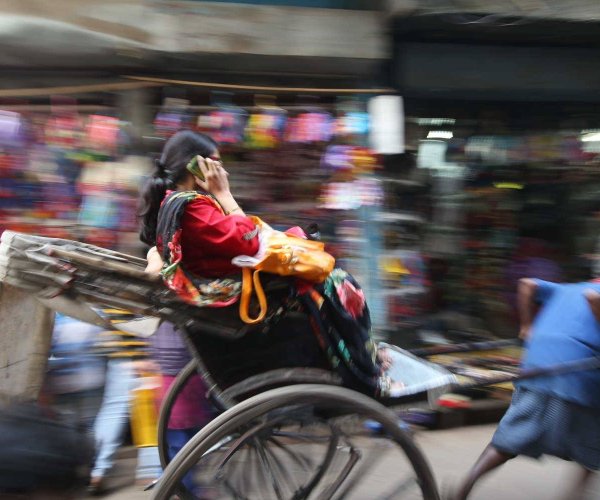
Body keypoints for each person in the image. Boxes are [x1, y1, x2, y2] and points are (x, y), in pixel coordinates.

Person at [451, 277, 600, 500]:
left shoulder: (568, 288)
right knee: (590, 443)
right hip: (574, 370)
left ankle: (465, 487)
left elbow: (527, 284)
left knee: (507, 441)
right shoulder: (592, 292)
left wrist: (526, 326)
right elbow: (594, 299)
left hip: (536, 364)